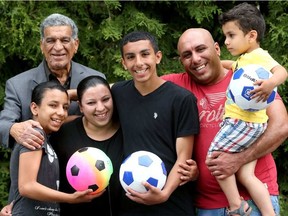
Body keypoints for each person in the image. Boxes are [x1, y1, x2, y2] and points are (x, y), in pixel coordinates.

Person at [162, 28, 288, 215]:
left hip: (254, 203)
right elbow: (134, 88)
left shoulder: (247, 77)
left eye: (201, 49)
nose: (195, 59)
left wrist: (239, 159)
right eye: (187, 55)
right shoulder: (177, 85)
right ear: (182, 62)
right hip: (206, 206)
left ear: (217, 49)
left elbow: (281, 127)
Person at [205, 3, 288, 215]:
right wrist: (213, 62)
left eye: (231, 35)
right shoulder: (244, 60)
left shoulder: (259, 56)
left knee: (215, 158)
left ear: (251, 36)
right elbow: (230, 66)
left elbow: (282, 71)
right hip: (253, 124)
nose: (226, 41)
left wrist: (270, 84)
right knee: (246, 176)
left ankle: (236, 206)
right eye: (225, 36)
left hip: (242, 122)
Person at [111, 31, 200, 216]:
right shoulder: (118, 93)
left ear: (157, 57)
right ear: (124, 63)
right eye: (130, 57)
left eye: (145, 54)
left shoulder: (182, 99)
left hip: (173, 203)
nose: (139, 63)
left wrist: (165, 193)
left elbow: (184, 158)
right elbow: (90, 94)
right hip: (131, 204)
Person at [0, 13, 105, 150]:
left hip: (86, 166)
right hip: (38, 166)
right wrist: (14, 128)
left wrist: (75, 94)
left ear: (76, 45)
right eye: (50, 41)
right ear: (42, 46)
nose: (58, 47)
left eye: (65, 40)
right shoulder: (17, 85)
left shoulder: (95, 78)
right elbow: (3, 124)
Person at [8, 81, 99, 216]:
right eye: (53, 105)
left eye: (65, 107)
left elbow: (79, 119)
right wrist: (71, 198)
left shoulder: (46, 137)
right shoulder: (33, 134)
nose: (61, 112)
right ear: (34, 108)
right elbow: (26, 187)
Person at [50, 75, 124, 216]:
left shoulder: (128, 130)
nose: (101, 108)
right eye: (91, 103)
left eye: (106, 99)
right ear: (80, 107)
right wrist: (17, 202)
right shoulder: (63, 134)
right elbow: (43, 176)